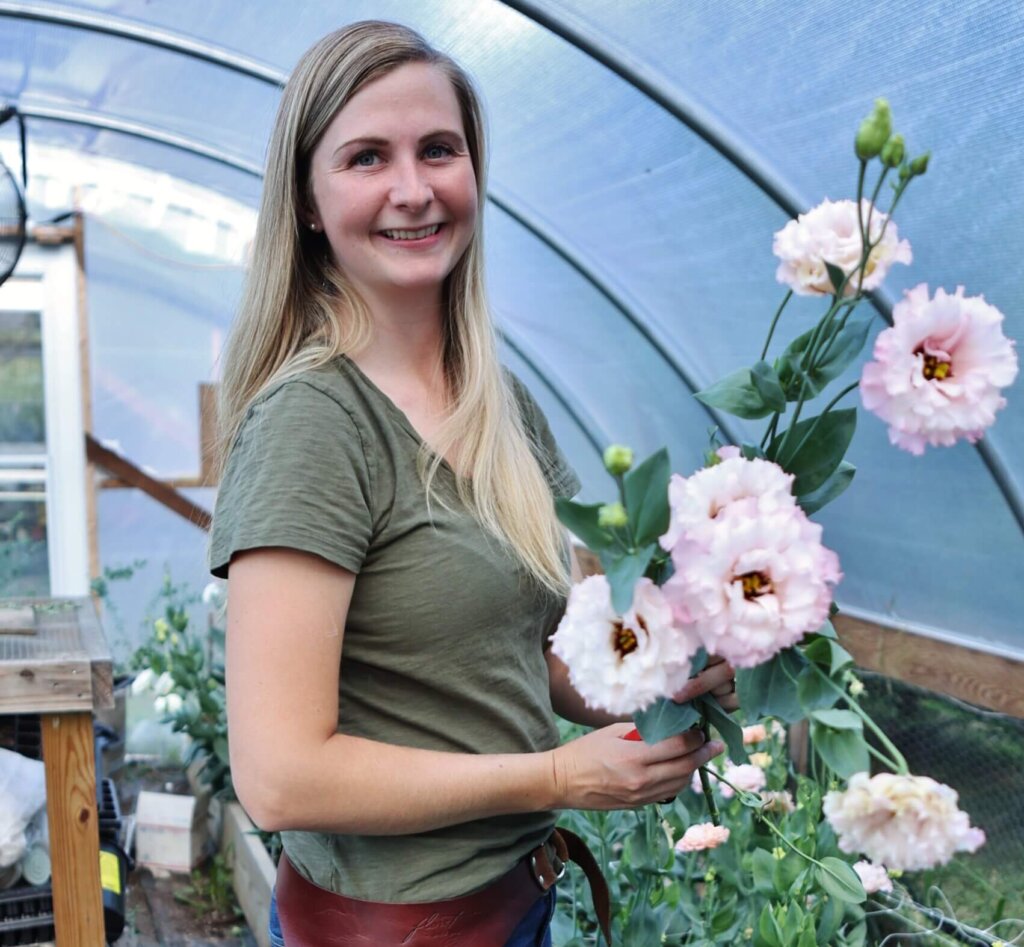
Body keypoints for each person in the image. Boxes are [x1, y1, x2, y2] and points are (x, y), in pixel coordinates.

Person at [209, 20, 738, 947]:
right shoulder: (314, 423)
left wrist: (684, 667)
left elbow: (526, 656)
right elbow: (280, 774)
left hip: (511, 902)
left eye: (438, 150)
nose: (413, 190)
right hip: (397, 927)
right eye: (367, 157)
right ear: (304, 200)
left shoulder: (498, 402)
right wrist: (556, 777)